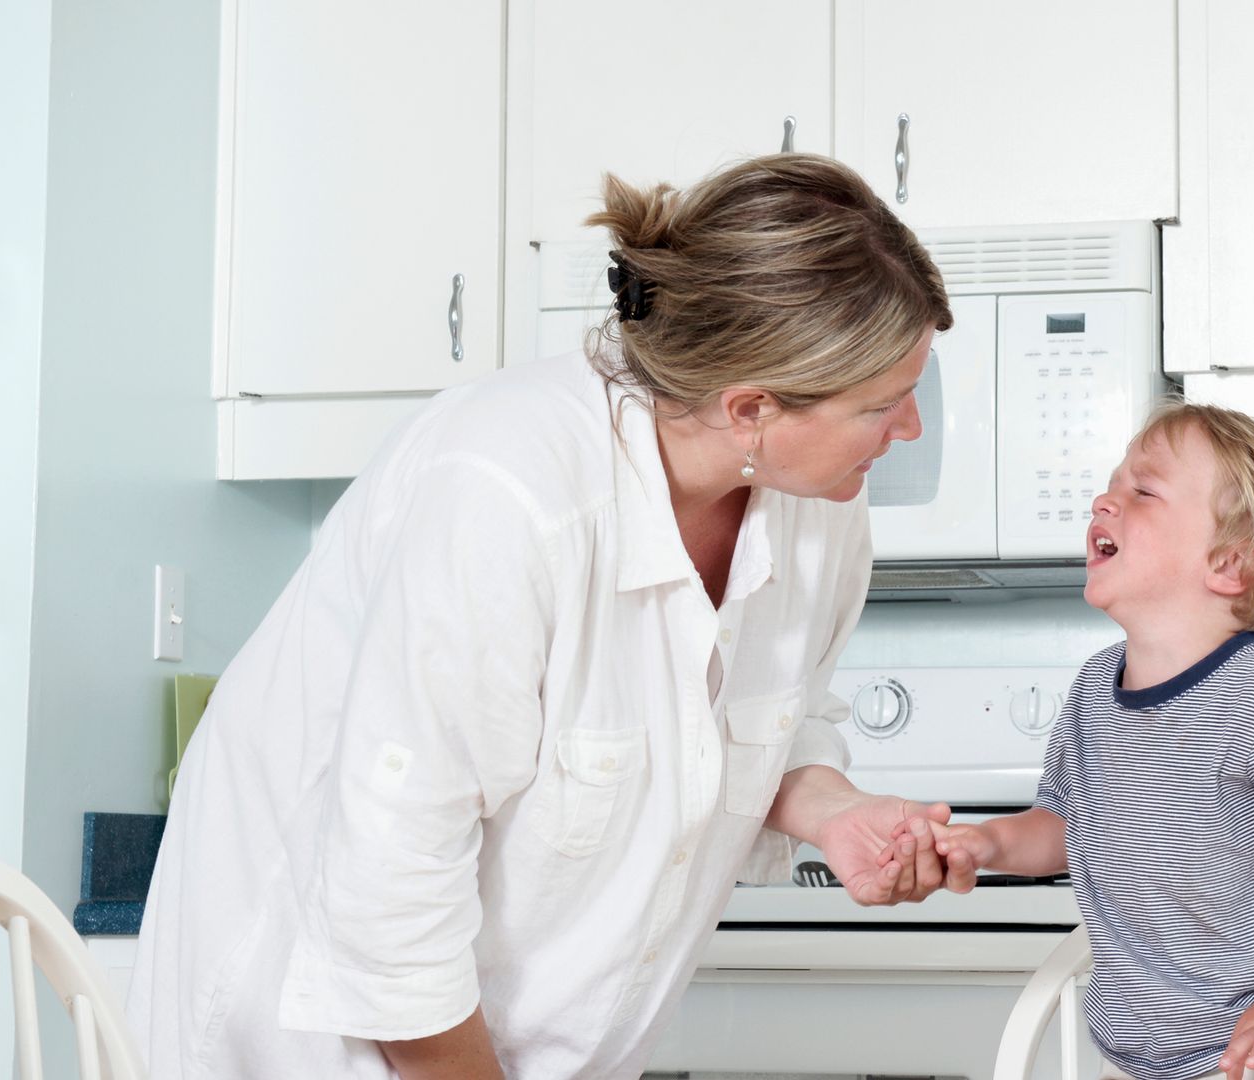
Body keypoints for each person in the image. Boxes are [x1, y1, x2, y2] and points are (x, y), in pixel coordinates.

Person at [129, 154, 975, 1080]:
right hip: (312, 1040)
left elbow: (767, 713)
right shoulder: (507, 494)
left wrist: (834, 810)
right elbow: (392, 892)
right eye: (884, 406)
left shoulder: (820, 507)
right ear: (752, 409)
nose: (909, 434)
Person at [926, 402, 1254, 1080]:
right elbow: (1066, 827)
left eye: (1142, 490)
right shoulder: (1094, 690)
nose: (1104, 500)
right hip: (1140, 1051)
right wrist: (987, 843)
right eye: (1114, 483)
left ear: (1230, 562)